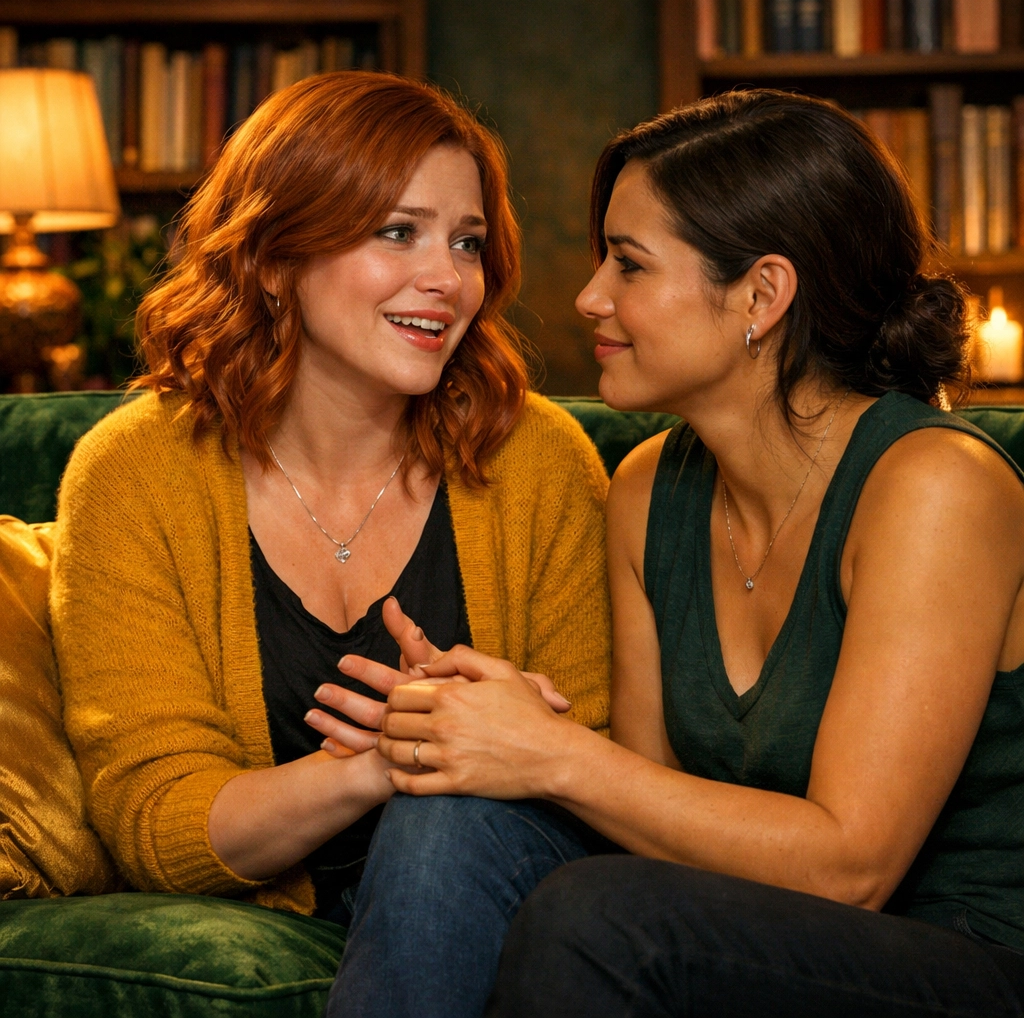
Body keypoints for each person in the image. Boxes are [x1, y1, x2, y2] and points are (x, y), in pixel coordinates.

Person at [314, 90, 1024, 1016]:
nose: (589, 297)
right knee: (449, 807)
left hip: (965, 960)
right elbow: (648, 821)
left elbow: (852, 868)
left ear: (762, 295)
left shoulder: (935, 486)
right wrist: (483, 727)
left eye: (630, 264)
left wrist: (554, 753)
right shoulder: (649, 489)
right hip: (747, 938)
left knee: (599, 916)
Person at [49, 71, 610, 927]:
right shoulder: (134, 472)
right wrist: (383, 761)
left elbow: (599, 768)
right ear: (277, 258)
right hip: (278, 917)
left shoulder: (539, 459)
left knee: (440, 831)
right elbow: (156, 821)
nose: (448, 279)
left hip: (498, 911)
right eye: (398, 232)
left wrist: (516, 745)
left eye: (467, 243)